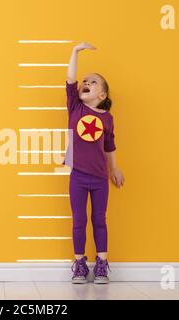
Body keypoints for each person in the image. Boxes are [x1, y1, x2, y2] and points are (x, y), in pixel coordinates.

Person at [64, 42, 125, 284]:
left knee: (100, 219)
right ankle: (79, 263)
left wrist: (114, 168)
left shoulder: (108, 119)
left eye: (92, 82)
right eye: (84, 81)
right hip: (78, 176)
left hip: (100, 179)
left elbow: (109, 146)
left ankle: (101, 263)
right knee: (79, 219)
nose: (85, 83)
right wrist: (75, 52)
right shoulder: (75, 107)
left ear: (102, 95)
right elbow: (70, 78)